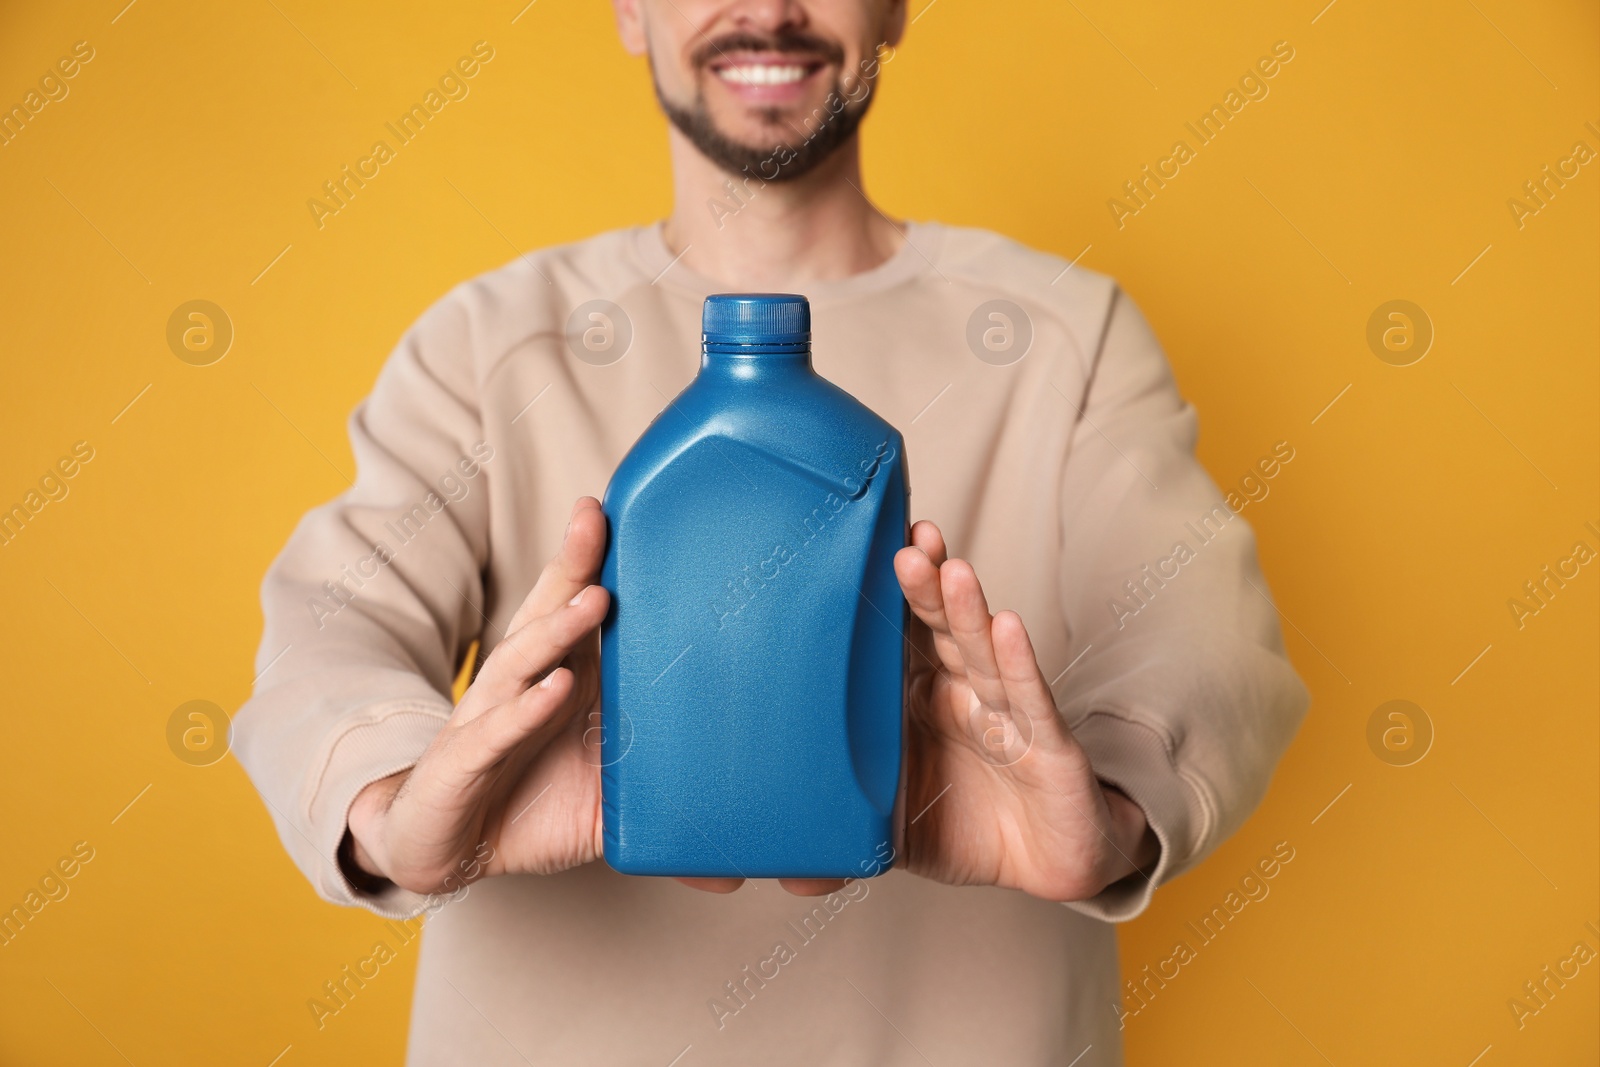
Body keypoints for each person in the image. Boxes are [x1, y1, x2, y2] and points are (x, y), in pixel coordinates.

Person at [234, 1, 1308, 1063]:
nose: (768, 8)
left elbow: (1199, 628)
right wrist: (393, 807)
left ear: (895, 7)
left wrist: (1110, 808)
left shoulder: (1064, 332)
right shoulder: (489, 343)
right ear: (629, 10)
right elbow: (329, 630)